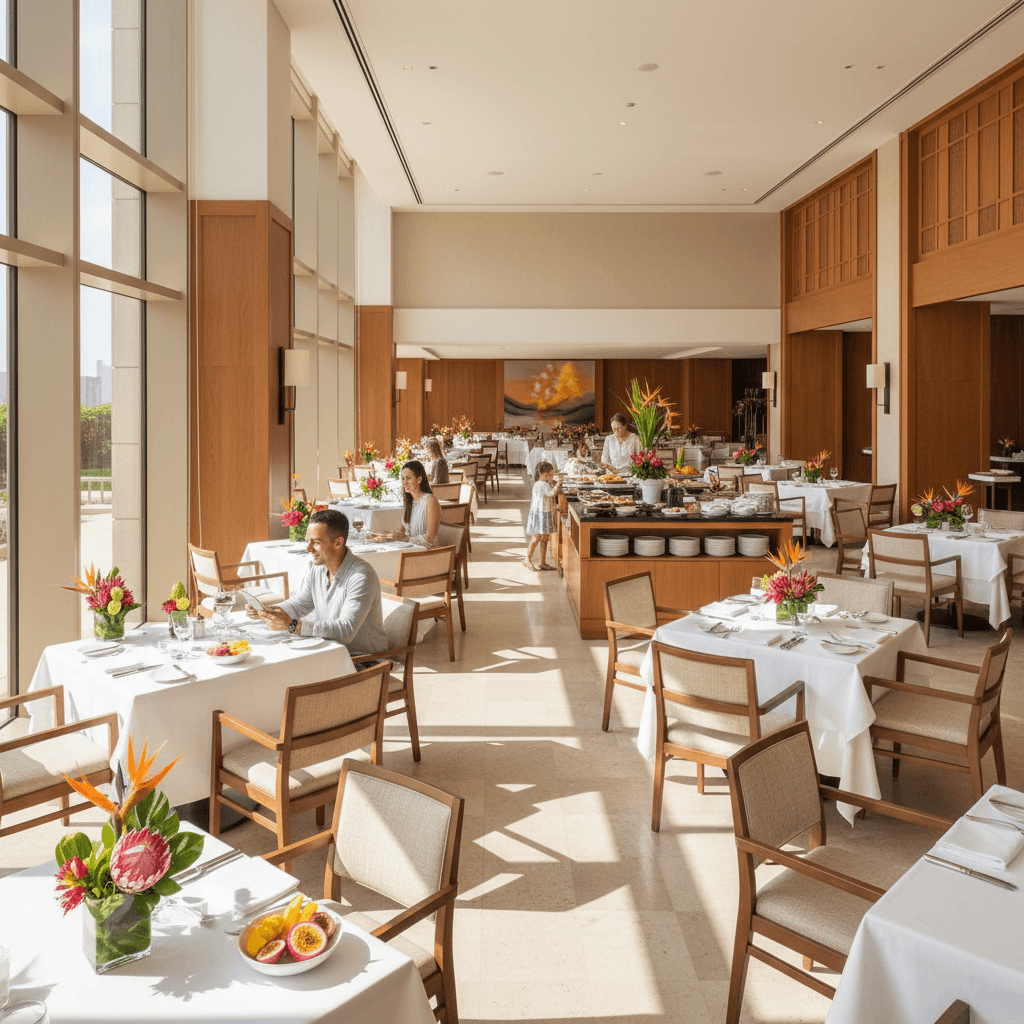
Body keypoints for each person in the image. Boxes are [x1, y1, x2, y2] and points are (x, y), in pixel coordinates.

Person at [252, 508, 387, 657]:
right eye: (308, 541)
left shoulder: (361, 576)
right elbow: (300, 604)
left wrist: (294, 626)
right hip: (329, 651)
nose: (308, 548)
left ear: (338, 543)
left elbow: (345, 630)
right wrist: (267, 611)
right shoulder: (316, 568)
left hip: (362, 660)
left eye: (316, 542)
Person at [524, 461, 561, 571]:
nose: (552, 477)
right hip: (541, 514)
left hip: (542, 513)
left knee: (545, 538)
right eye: (551, 474)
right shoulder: (543, 485)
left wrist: (551, 483)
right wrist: (559, 483)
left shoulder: (538, 484)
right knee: (537, 537)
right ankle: (527, 559)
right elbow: (551, 494)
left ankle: (543, 562)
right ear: (544, 474)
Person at [397, 459, 441, 547]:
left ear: (419, 479)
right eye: (403, 478)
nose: (404, 483)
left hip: (427, 552)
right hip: (411, 550)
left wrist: (407, 541)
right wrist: (387, 537)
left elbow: (430, 538)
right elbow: (401, 532)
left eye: (408, 478)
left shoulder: (430, 501)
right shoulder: (410, 502)